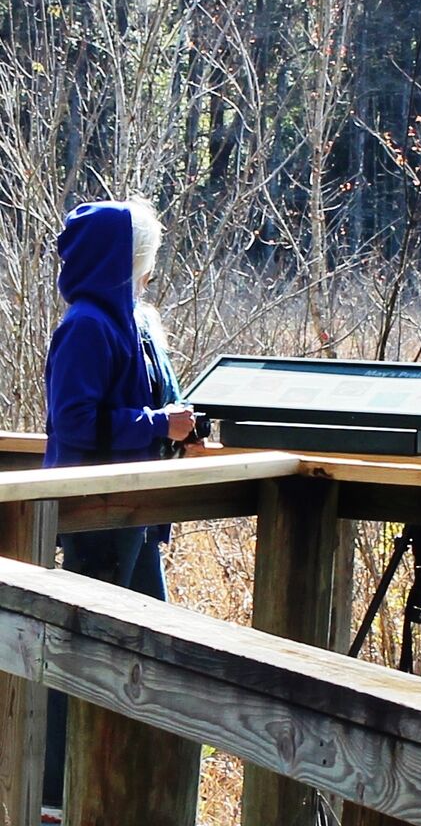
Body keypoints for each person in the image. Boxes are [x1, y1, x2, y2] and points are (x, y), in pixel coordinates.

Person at [41, 198, 196, 810]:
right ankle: (57, 799)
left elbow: (166, 403)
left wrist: (185, 423)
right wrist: (161, 422)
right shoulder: (85, 325)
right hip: (94, 517)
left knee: (150, 655)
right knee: (81, 657)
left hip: (137, 518)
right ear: (121, 260)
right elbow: (74, 424)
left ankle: (132, 794)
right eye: (144, 259)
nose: (150, 271)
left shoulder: (142, 322)